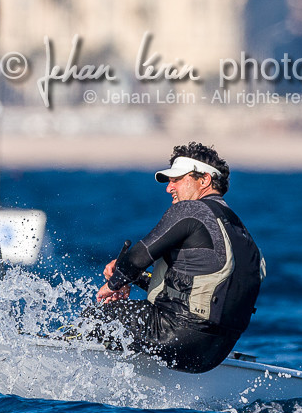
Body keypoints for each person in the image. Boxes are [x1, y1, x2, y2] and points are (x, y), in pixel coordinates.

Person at [91, 142, 265, 373]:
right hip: (214, 353)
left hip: (176, 334)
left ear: (204, 180)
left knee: (100, 315)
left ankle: (64, 352)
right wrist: (133, 278)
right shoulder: (242, 233)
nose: (169, 188)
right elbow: (191, 288)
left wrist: (115, 283)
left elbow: (138, 256)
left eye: (177, 179)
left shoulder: (191, 210)